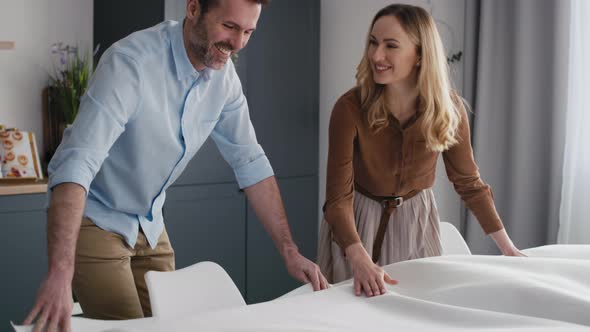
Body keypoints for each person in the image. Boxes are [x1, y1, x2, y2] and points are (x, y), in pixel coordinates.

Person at [24, 0, 328, 330]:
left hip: (150, 221)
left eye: (248, 31)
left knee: (173, 325)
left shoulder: (224, 79)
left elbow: (250, 160)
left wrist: (289, 250)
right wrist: (60, 271)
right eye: (229, 27)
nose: (238, 43)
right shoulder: (131, 63)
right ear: (194, 9)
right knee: (128, 327)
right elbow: (77, 163)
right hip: (96, 216)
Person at [318, 3, 524, 298]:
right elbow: (337, 199)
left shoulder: (449, 110)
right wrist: (358, 257)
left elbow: (469, 184)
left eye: (391, 46)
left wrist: (508, 248)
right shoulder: (349, 108)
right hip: (355, 225)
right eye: (373, 43)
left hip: (417, 222)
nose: (377, 55)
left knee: (417, 312)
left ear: (419, 55)